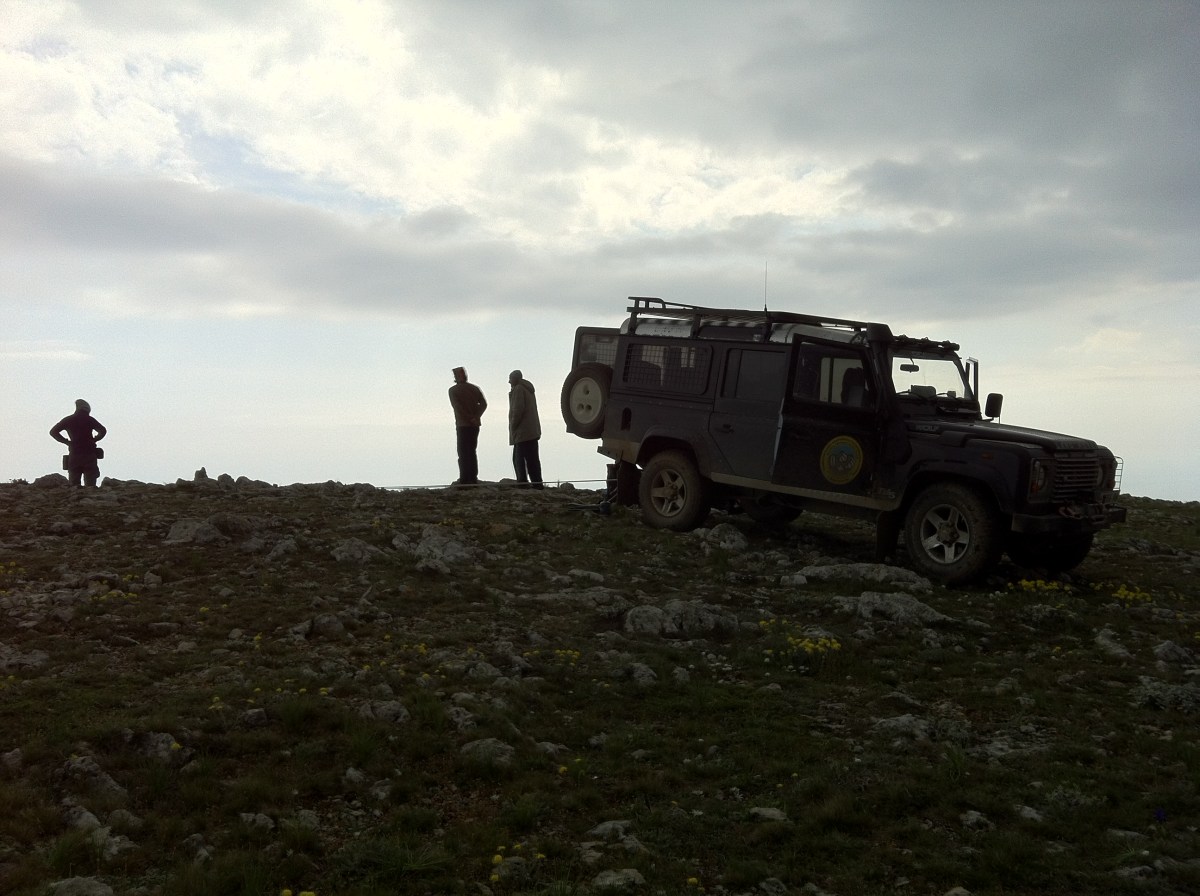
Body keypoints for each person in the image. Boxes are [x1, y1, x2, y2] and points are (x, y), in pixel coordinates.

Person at [50, 399, 107, 487]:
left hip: (74, 454)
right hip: (89, 454)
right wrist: (95, 439)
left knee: (74, 484)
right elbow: (103, 431)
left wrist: (67, 442)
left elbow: (53, 432)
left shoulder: (68, 419)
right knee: (90, 485)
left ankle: (75, 498)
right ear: (87, 409)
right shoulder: (90, 419)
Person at [448, 367, 487, 485]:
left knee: (463, 452)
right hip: (475, 425)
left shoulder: (453, 391)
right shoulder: (475, 388)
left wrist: (469, 418)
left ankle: (465, 478)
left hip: (463, 424)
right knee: (472, 450)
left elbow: (458, 408)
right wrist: (476, 417)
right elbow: (484, 404)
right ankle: (473, 477)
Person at [507, 369, 543, 489]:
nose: (509, 382)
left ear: (515, 379)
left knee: (518, 458)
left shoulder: (518, 390)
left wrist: (513, 426)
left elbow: (517, 410)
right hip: (532, 431)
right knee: (533, 459)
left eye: (510, 379)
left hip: (523, 431)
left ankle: (522, 482)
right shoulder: (528, 389)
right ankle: (537, 483)